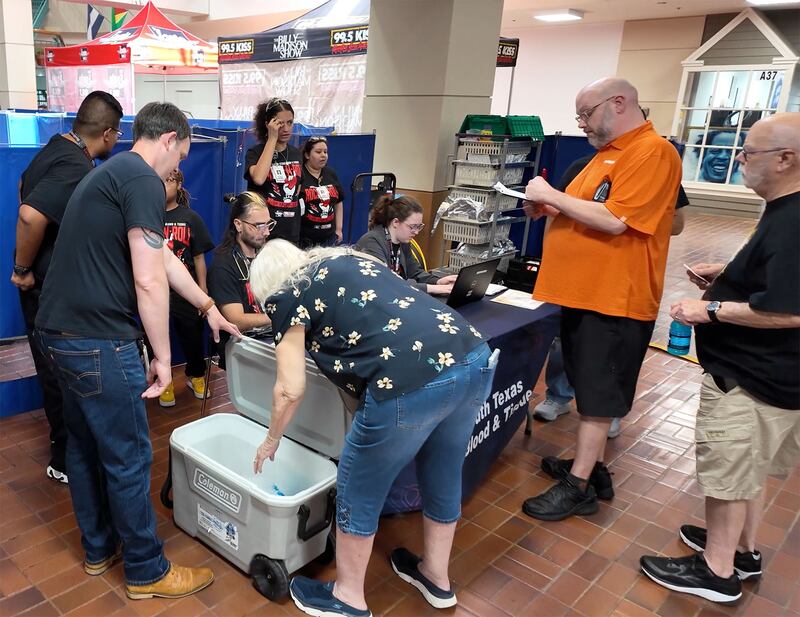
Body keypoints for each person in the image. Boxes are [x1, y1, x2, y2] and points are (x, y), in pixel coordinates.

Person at [34, 102, 240, 599]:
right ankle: (147, 570)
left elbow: (160, 255)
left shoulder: (114, 172)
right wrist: (165, 360)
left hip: (57, 334)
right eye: (181, 158)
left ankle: (99, 549)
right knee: (128, 456)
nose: (178, 171)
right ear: (168, 139)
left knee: (83, 447)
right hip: (97, 340)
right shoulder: (144, 179)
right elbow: (148, 283)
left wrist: (207, 303)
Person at [249, 239, 494, 617]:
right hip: (472, 357)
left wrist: (270, 440)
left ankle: (347, 597)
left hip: (408, 381)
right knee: (443, 472)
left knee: (357, 486)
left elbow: (289, 388)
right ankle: (436, 578)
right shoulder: (347, 261)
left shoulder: (286, 296)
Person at [640, 113, 800, 604]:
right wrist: (730, 275)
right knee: (746, 469)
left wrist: (708, 309)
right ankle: (742, 551)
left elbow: (787, 312)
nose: (740, 160)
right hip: (774, 378)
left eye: (749, 153)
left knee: (728, 474)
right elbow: (778, 280)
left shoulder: (793, 220)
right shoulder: (783, 210)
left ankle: (717, 572)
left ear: (786, 159)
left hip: (752, 379)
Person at [519, 77, 681, 521]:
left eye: (586, 114)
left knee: (597, 399)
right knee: (589, 386)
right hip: (585, 294)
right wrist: (552, 208)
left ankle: (579, 486)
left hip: (615, 299)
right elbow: (589, 211)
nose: (582, 124)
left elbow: (615, 221)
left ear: (619, 103)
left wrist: (551, 195)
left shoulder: (653, 152)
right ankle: (590, 467)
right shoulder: (606, 157)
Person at [534, 135, 690, 437]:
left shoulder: (653, 166)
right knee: (565, 343)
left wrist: (630, 214)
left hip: (618, 284)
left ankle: (608, 413)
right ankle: (559, 395)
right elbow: (558, 213)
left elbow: (677, 224)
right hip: (576, 278)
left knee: (611, 357)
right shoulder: (583, 167)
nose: (585, 124)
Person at [10, 90, 123, 484]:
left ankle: (68, 453)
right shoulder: (76, 164)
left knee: (55, 374)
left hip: (46, 288)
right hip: (47, 290)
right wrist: (24, 268)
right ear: (107, 133)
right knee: (61, 378)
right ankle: (65, 459)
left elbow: (25, 184)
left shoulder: (55, 148)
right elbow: (28, 214)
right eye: (118, 133)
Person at [156, 168, 215, 407]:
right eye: (161, 180)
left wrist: (202, 291)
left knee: (192, 334)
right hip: (156, 288)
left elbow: (199, 257)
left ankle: (196, 375)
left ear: (179, 185)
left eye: (170, 181)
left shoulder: (190, 217)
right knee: (157, 337)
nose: (165, 185)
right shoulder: (148, 215)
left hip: (186, 289)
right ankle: (164, 379)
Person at [207, 192, 274, 365]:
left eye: (268, 224)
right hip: (242, 343)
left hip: (271, 335)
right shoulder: (223, 266)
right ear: (238, 224)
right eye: (259, 226)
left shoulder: (268, 255)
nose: (266, 232)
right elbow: (236, 320)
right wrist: (279, 317)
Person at [355, 195, 457, 295]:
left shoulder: (403, 242)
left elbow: (415, 273)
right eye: (412, 227)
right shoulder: (372, 242)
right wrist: (433, 288)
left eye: (419, 226)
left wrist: (438, 281)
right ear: (395, 222)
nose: (416, 232)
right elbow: (387, 282)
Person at [244, 98, 303, 244]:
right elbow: (258, 178)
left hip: (291, 231)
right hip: (265, 232)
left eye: (290, 122)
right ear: (268, 124)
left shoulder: (296, 154)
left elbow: (297, 188)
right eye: (280, 123)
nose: (286, 128)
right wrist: (272, 139)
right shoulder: (255, 152)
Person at [298, 136, 344, 248]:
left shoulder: (331, 174)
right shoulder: (299, 174)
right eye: (318, 152)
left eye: (325, 152)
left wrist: (339, 228)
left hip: (328, 237)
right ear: (307, 155)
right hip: (305, 237)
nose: (323, 155)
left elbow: (338, 202)